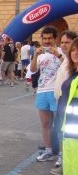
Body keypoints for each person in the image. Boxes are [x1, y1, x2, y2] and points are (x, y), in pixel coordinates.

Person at [30, 26, 63, 162]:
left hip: (57, 92)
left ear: (55, 39)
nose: (47, 41)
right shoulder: (40, 53)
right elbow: (32, 70)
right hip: (42, 91)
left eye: (50, 38)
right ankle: (48, 151)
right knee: (45, 124)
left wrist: (58, 55)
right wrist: (36, 55)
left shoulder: (62, 51)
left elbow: (69, 66)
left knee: (60, 124)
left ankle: (61, 154)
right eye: (45, 38)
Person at [57, 37, 78, 175]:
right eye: (74, 50)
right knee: (71, 170)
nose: (75, 52)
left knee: (77, 172)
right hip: (69, 130)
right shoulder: (73, 72)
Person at [51, 31, 77, 175]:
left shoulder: (72, 62)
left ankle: (68, 169)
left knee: (67, 138)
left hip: (70, 107)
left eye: (67, 42)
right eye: (62, 42)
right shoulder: (67, 61)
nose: (64, 45)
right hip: (62, 104)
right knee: (63, 137)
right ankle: (66, 166)